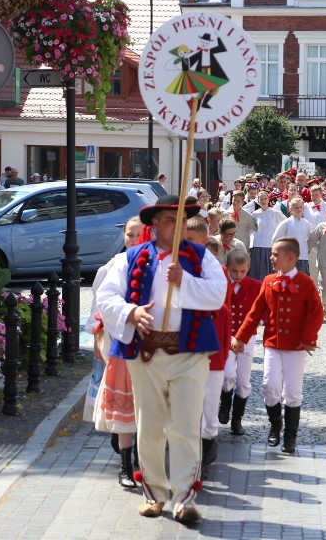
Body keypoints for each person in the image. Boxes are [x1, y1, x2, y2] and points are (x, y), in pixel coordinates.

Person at [95, 195, 227, 523]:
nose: (178, 226)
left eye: (182, 220)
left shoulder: (201, 258)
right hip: (147, 353)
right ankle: (154, 493)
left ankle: (183, 498)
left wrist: (187, 282)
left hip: (189, 353)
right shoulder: (131, 257)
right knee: (150, 426)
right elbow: (106, 295)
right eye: (171, 220)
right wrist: (131, 311)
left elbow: (217, 294)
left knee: (185, 426)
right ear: (155, 224)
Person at [232, 237, 324, 454]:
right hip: (273, 342)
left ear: (291, 258)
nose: (271, 258)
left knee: (292, 391)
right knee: (269, 386)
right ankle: (275, 424)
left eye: (276, 255)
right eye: (272, 254)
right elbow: (255, 312)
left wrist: (309, 338)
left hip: (295, 346)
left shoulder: (306, 283)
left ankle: (290, 436)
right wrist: (241, 337)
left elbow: (317, 312)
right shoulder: (269, 280)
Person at [85, 216, 143, 490]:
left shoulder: (156, 262)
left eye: (139, 235)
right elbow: (100, 306)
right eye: (130, 235)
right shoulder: (113, 266)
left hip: (149, 346)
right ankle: (125, 464)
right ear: (123, 236)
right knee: (121, 407)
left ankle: (143, 459)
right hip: (117, 342)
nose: (133, 240)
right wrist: (99, 341)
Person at [184, 217, 230, 477]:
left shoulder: (217, 272)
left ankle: (209, 439)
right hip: (188, 343)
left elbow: (222, 308)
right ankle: (193, 450)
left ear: (204, 240)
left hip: (212, 340)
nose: (186, 245)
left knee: (210, 400)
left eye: (191, 241)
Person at [217, 249, 262, 435]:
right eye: (234, 271)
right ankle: (225, 403)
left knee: (243, 381)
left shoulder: (256, 286)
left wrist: (243, 337)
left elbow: (258, 314)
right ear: (227, 268)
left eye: (242, 271)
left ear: (248, 268)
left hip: (247, 338)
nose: (238, 275)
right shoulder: (220, 284)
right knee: (227, 375)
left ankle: (237, 419)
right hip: (226, 337)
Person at [250, 190, 287, 281]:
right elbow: (252, 228)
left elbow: (285, 223)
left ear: (268, 200)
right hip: (257, 245)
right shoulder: (255, 214)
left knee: (270, 271)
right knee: (257, 272)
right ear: (258, 200)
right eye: (261, 199)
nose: (263, 201)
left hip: (270, 245)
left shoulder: (275, 213)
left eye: (265, 199)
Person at [273, 197, 313, 275]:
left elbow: (310, 240)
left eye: (301, 207)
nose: (299, 209)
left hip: (302, 257)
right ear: (291, 209)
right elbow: (275, 239)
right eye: (296, 207)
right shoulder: (286, 223)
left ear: (303, 208)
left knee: (301, 281)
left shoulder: (307, 224)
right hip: (288, 258)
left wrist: (306, 250)